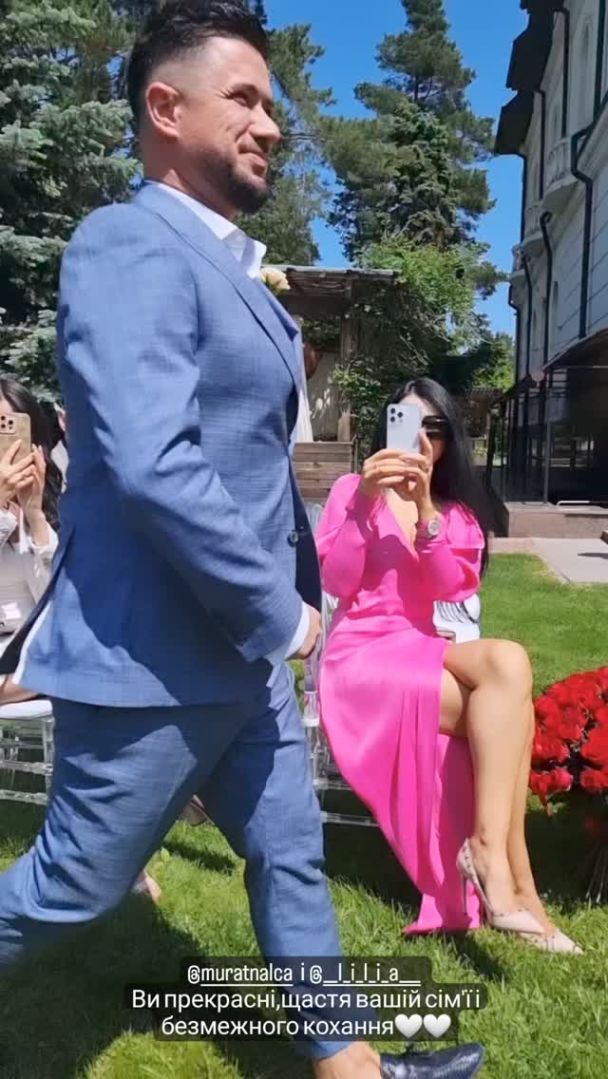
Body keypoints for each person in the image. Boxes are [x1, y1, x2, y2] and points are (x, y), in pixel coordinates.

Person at [0, 5, 483, 1077]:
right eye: (246, 100)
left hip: (241, 657)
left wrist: (281, 618)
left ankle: (350, 1067)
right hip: (152, 661)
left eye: (273, 103)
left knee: (290, 856)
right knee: (71, 884)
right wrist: (279, 611)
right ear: (164, 108)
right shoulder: (127, 242)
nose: (273, 124)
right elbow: (152, 461)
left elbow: (248, 465)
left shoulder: (230, 266)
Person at [316, 378, 581, 954]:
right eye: (409, 424)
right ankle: (518, 889)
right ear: (388, 426)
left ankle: (491, 856)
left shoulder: (453, 512)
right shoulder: (350, 490)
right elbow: (337, 582)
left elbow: (448, 589)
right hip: (360, 659)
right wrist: (366, 502)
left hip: (417, 643)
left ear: (448, 439)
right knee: (510, 722)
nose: (421, 439)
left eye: (434, 428)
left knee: (509, 662)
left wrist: (425, 511)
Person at [0, 378, 60, 706]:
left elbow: (57, 603)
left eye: (10, 430)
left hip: (42, 659)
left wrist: (35, 517)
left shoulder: (60, 503)